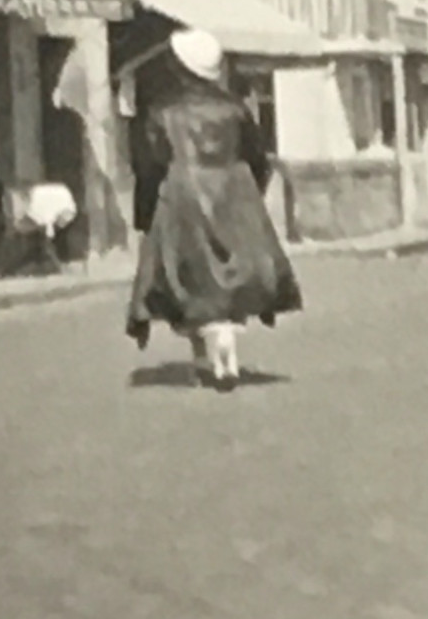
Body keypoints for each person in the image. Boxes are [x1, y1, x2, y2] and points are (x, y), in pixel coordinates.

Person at [125, 29, 303, 389]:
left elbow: (148, 163)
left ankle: (206, 351)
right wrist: (247, 192)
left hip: (181, 192)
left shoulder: (162, 109)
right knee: (229, 273)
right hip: (233, 193)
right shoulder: (236, 108)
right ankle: (223, 343)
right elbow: (257, 155)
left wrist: (147, 212)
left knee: (188, 275)